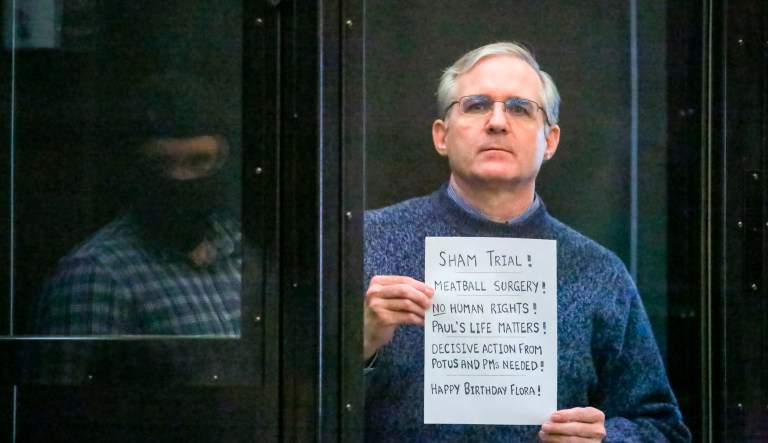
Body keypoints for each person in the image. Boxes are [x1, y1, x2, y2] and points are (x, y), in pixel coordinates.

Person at [363, 42, 690, 442]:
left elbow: (663, 427)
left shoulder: (598, 271)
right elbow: (286, 402)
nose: (498, 122)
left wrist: (608, 440)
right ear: (441, 135)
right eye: (476, 104)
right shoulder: (365, 243)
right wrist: (358, 345)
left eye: (519, 108)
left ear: (550, 141)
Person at [33, 72, 242, 336]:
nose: (181, 178)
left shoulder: (242, 253)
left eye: (199, 161)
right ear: (136, 167)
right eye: (161, 163)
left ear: (222, 161)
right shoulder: (96, 276)